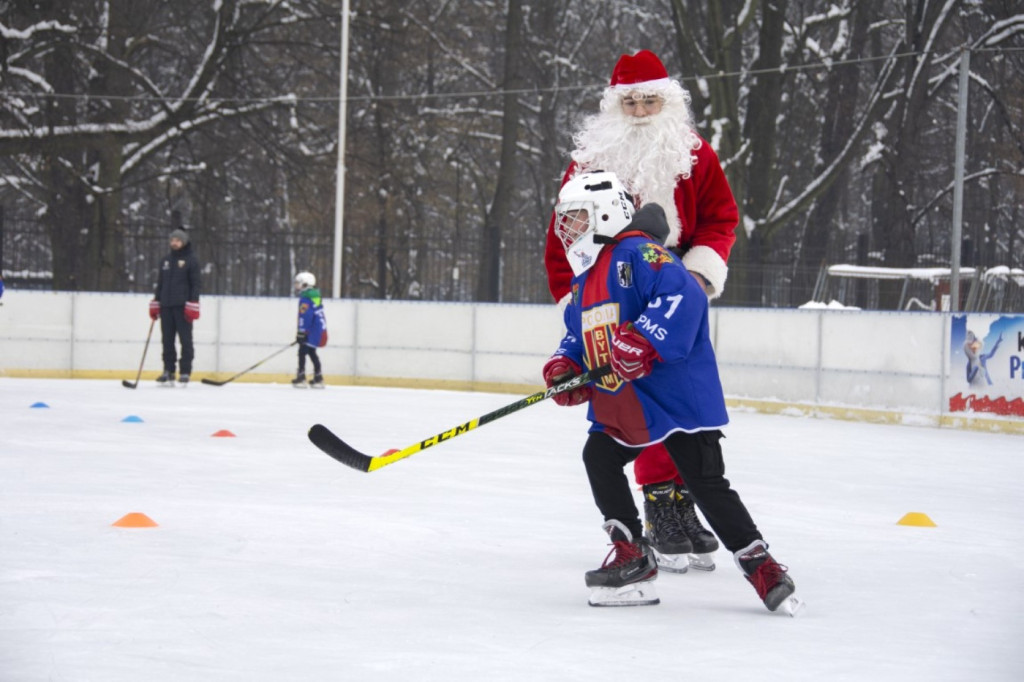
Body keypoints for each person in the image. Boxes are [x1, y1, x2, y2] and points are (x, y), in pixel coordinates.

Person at [542, 171, 798, 613]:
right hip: (625, 400)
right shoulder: (586, 277)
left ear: (606, 213)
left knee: (705, 482)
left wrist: (645, 338)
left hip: (675, 395)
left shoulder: (639, 252)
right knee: (599, 457)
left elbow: (684, 297)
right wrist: (567, 365)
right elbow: (578, 330)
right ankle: (633, 555)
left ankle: (761, 565)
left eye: (578, 217)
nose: (571, 229)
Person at [544, 49, 738, 572]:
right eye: (631, 102)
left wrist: (697, 274)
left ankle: (677, 499)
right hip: (607, 287)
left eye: (651, 99)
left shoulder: (695, 153)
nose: (642, 109)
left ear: (668, 100)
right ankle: (659, 500)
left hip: (675, 285)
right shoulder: (587, 159)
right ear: (614, 105)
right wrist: (575, 304)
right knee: (631, 398)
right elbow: (562, 235)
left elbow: (721, 218)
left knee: (681, 394)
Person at [151, 227, 201, 386]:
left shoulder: (191, 260)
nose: (174, 243)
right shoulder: (165, 261)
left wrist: (193, 303)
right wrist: (156, 302)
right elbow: (160, 283)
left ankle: (185, 371)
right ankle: (168, 370)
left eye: (177, 240)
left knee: (185, 340)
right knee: (167, 340)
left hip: (183, 307)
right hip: (166, 305)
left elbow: (196, 284)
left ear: (184, 242)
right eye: (172, 240)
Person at [291, 271, 328, 388]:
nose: (296, 286)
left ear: (305, 284)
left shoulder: (306, 299)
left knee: (302, 352)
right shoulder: (315, 297)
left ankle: (301, 377)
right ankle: (318, 377)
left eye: (298, 283)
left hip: (311, 332)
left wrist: (301, 333)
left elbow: (305, 317)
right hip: (318, 331)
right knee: (311, 352)